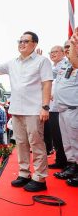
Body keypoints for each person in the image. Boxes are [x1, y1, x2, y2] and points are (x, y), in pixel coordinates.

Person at [0, 31, 53, 192]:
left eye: (26, 41)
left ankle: (40, 177)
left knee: (36, 143)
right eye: (20, 41)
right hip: (16, 110)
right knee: (21, 143)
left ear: (34, 44)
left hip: (34, 110)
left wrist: (45, 107)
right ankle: (24, 173)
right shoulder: (13, 63)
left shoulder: (42, 61)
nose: (22, 43)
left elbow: (47, 84)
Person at [53, 33, 78, 187]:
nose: (68, 49)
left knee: (76, 142)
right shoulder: (64, 64)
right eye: (66, 47)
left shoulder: (76, 63)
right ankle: (72, 166)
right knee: (67, 142)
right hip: (62, 110)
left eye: (71, 46)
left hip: (74, 109)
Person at [45, 45, 68, 169]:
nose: (52, 54)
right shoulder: (54, 67)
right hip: (53, 109)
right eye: (51, 52)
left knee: (64, 137)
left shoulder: (67, 65)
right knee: (56, 137)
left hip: (62, 109)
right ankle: (60, 160)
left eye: (55, 52)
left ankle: (68, 163)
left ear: (64, 53)